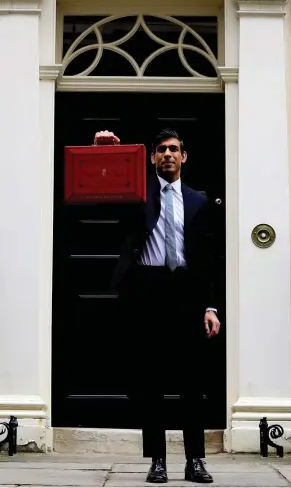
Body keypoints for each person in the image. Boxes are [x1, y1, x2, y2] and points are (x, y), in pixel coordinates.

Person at [94, 128, 221, 484]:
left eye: (174, 149)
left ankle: (195, 460)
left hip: (186, 291)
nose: (168, 154)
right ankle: (158, 461)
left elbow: (206, 259)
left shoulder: (198, 200)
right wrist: (107, 151)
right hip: (147, 290)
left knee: (192, 382)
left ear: (184, 156)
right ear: (152, 158)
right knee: (152, 381)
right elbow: (99, 194)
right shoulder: (137, 194)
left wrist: (210, 307)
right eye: (161, 150)